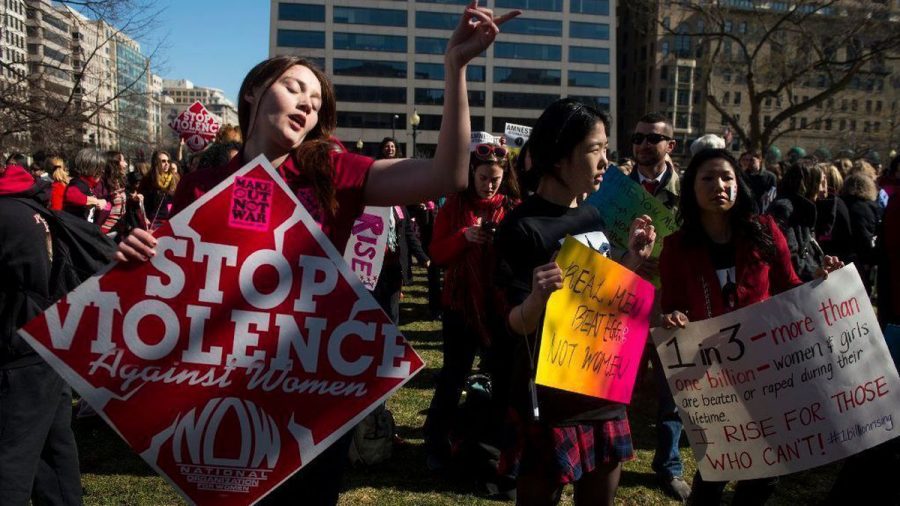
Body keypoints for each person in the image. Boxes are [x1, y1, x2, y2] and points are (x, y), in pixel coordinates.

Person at [115, 3, 521, 504]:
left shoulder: (333, 171)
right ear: (252, 93)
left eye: (316, 100)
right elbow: (169, 290)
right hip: (225, 387)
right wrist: (138, 256)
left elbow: (447, 176)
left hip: (314, 385)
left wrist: (455, 68)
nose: (307, 103)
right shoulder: (201, 185)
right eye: (294, 87)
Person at [494, 99, 656, 506]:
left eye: (606, 150)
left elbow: (601, 298)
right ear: (558, 157)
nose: (606, 162)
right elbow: (513, 324)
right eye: (595, 149)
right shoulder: (521, 227)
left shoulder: (593, 216)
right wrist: (537, 297)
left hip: (602, 390)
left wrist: (631, 261)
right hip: (551, 400)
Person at [659, 149, 842, 505]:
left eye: (727, 177)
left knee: (764, 473)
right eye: (708, 179)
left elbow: (788, 285)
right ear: (692, 189)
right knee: (719, 465)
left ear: (738, 184)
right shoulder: (676, 247)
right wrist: (674, 319)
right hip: (713, 375)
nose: (719, 186)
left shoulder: (764, 230)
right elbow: (672, 307)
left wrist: (820, 280)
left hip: (765, 368)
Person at [0, 162, 114, 504]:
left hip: (18, 356)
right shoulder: (30, 207)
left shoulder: (7, 215)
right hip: (49, 345)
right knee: (54, 457)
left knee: (10, 467)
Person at [423, 141, 520, 472]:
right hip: (460, 306)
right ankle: (436, 442)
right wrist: (464, 237)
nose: (489, 185)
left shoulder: (512, 207)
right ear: (472, 174)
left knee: (501, 380)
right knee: (453, 376)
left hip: (499, 307)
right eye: (483, 178)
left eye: (495, 178)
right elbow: (436, 254)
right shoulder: (454, 205)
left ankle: (487, 443)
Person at [629, 112, 688, 500]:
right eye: (638, 138)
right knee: (615, 387)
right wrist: (630, 255)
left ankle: (668, 466)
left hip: (672, 303)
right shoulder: (614, 190)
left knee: (672, 394)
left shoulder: (690, 193)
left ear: (671, 145)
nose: (645, 144)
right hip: (625, 300)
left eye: (654, 138)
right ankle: (607, 458)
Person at [767, 159, 828, 281]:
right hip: (791, 289)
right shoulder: (784, 209)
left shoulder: (803, 207)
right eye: (821, 183)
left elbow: (806, 248)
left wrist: (823, 265)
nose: (823, 189)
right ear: (810, 183)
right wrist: (813, 272)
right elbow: (788, 254)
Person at [63, 148, 108, 223]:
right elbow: (70, 194)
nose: (102, 171)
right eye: (99, 168)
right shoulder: (79, 183)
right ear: (89, 168)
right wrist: (96, 201)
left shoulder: (87, 185)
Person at [138, 150, 179, 229]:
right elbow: (141, 202)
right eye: (163, 161)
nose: (167, 164)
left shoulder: (175, 177)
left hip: (171, 220)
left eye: (168, 161)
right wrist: (144, 218)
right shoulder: (148, 179)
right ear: (156, 163)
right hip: (154, 221)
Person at [95, 150, 129, 237]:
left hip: (120, 229)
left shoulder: (120, 181)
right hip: (105, 231)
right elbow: (96, 201)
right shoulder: (101, 182)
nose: (126, 164)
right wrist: (109, 196)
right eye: (123, 161)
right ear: (114, 163)